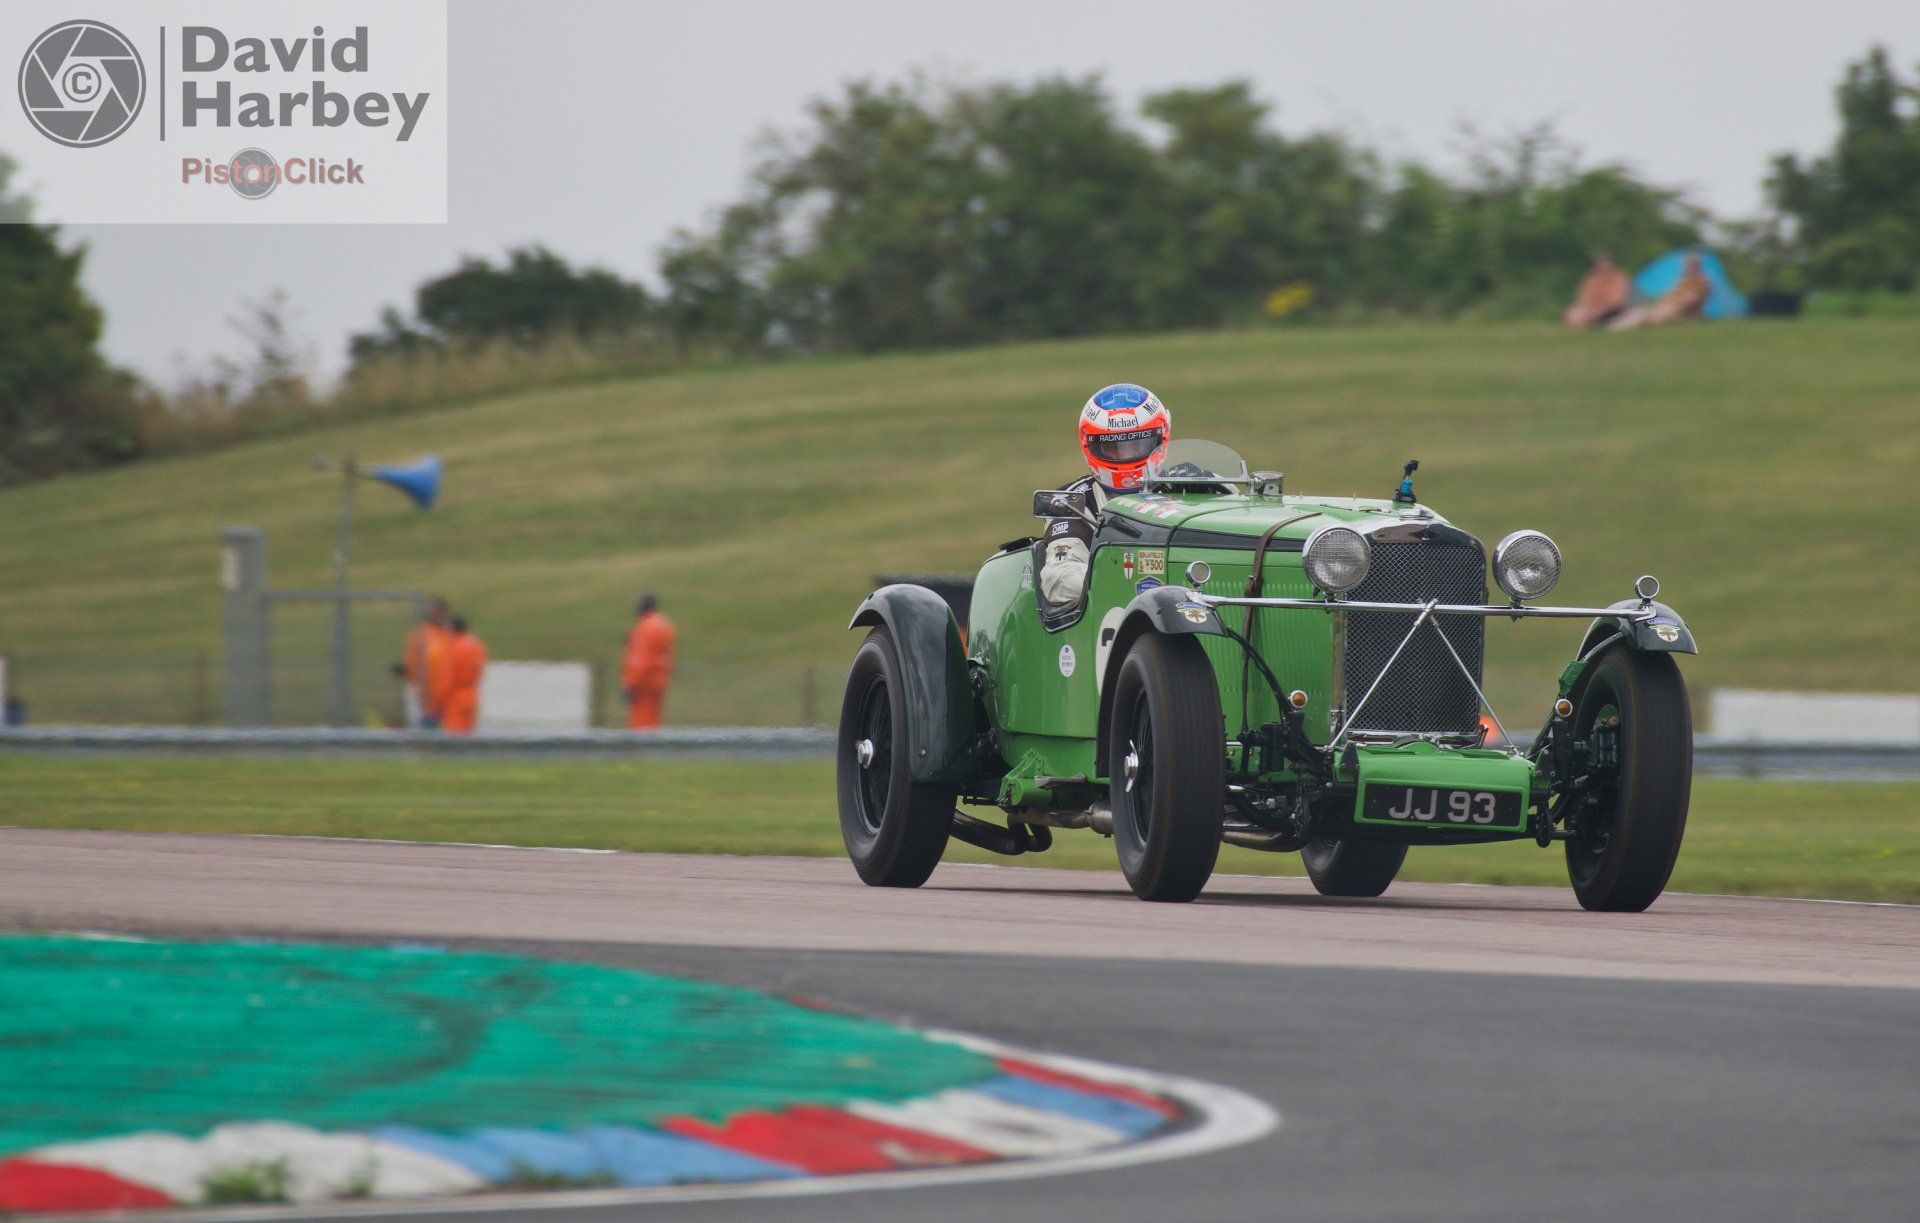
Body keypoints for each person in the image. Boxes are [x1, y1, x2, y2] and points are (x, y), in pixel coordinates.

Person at [1039, 383, 1172, 608]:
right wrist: (1133, 584)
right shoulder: (1072, 501)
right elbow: (1058, 580)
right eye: (1113, 448)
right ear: (1088, 444)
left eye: (1137, 444)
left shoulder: (1198, 484)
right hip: (1112, 616)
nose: (1127, 455)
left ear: (1161, 437)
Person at [1609, 253, 1713, 330]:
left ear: (1696, 267)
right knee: (1642, 312)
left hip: (1676, 308)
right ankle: (1617, 323)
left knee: (1645, 315)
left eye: (1689, 266)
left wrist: (1676, 300)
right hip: (1671, 305)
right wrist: (1667, 300)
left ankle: (1618, 326)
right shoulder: (1683, 280)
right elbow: (1671, 294)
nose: (1686, 268)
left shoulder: (1702, 281)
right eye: (1686, 266)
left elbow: (1691, 299)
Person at [623, 593, 678, 731]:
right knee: (653, 722)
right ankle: (651, 749)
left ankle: (643, 750)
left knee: (642, 724)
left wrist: (631, 684)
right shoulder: (664, 625)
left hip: (644, 684)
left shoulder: (645, 628)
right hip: (659, 680)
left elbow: (641, 660)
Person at [401, 597, 452, 729]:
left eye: (441, 612)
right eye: (435, 612)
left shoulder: (450, 633)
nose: (439, 615)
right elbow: (411, 662)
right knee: (430, 732)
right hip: (428, 697)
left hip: (449, 698)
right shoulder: (420, 634)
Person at [435, 617, 488, 735]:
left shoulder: (455, 648)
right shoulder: (476, 645)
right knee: (468, 736)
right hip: (472, 694)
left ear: (454, 630)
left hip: (456, 698)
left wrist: (439, 701)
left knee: (454, 738)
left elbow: (448, 679)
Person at [1563, 253, 1632, 328]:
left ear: (1612, 265)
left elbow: (1617, 302)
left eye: (1606, 265)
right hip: (1592, 310)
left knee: (1610, 316)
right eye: (1601, 265)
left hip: (1613, 311)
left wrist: (1599, 311)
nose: (1604, 268)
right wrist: (1587, 309)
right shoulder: (1591, 280)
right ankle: (1589, 321)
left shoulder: (1619, 279)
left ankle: (1600, 322)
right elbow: (1584, 299)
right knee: (1572, 313)